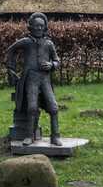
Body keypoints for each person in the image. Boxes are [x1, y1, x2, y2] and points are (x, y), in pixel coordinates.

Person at [6, 12, 62, 146]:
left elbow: (57, 60)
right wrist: (11, 69)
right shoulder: (26, 42)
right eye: (36, 26)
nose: (39, 28)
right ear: (30, 27)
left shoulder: (48, 43)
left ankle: (55, 136)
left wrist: (52, 65)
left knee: (54, 108)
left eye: (41, 26)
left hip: (45, 79)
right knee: (31, 108)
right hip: (31, 79)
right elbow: (11, 50)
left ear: (45, 27)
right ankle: (29, 136)